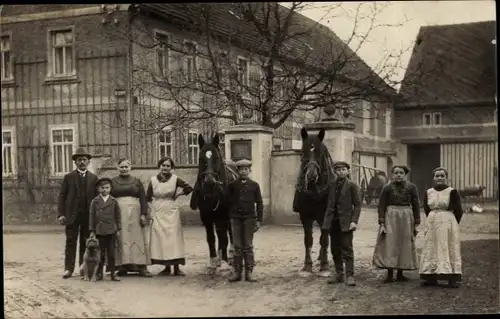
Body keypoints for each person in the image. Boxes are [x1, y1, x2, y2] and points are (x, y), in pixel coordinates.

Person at [372, 165, 420, 283]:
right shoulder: (387, 188)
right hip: (391, 216)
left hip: (406, 216)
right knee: (390, 243)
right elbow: (381, 205)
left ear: (405, 175)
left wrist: (417, 220)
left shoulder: (411, 187)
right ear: (392, 175)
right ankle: (389, 273)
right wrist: (382, 221)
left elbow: (416, 204)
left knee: (404, 243)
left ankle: (400, 273)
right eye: (396, 173)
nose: (398, 175)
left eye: (401, 173)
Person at [146, 157, 193, 276]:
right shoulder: (153, 180)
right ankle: (166, 268)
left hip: (171, 210)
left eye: (168, 166)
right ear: (159, 166)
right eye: (163, 165)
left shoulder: (175, 179)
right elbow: (148, 197)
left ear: (171, 168)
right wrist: (151, 211)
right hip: (158, 210)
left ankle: (176, 268)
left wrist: (178, 194)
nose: (165, 168)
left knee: (173, 238)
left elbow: (189, 188)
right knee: (161, 238)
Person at [57, 148, 98, 279]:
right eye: (79, 160)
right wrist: (61, 214)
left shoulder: (94, 178)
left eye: (84, 160)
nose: (82, 162)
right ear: (75, 162)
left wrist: (96, 216)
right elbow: (62, 196)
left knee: (86, 242)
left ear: (88, 161)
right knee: (70, 242)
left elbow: (96, 199)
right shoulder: (68, 177)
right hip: (71, 215)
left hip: (88, 216)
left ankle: (82, 268)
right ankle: (68, 269)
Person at [419, 167, 463, 288]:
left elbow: (459, 210)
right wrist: (432, 220)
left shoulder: (452, 191)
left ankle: (451, 277)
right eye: (437, 176)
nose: (439, 178)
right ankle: (431, 276)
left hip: (447, 221)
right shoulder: (428, 192)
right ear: (433, 178)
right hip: (432, 221)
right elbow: (427, 209)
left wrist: (452, 224)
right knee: (431, 247)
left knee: (447, 246)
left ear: (446, 177)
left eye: (442, 176)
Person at [110, 158, 152, 277]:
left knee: (137, 237)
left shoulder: (137, 181)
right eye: (121, 167)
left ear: (130, 167)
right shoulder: (113, 182)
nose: (124, 169)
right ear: (117, 168)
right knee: (121, 237)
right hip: (119, 212)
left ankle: (141, 266)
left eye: (126, 167)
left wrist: (143, 214)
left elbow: (143, 198)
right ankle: (123, 265)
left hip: (135, 212)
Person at [322, 161, 362, 286]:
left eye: (344, 169)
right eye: (338, 170)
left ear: (348, 171)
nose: (341, 172)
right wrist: (326, 221)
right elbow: (326, 202)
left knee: (347, 249)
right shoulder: (331, 185)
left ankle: (350, 275)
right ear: (335, 172)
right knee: (334, 249)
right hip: (333, 223)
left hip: (346, 223)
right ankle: (339, 273)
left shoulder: (352, 186)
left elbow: (357, 205)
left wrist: (354, 221)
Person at [227, 159, 263, 282]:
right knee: (237, 246)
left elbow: (259, 203)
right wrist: (230, 217)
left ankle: (249, 272)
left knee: (248, 246)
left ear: (249, 171)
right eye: (241, 169)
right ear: (237, 171)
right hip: (236, 219)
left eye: (246, 169)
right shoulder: (232, 186)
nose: (243, 171)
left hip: (249, 219)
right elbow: (228, 203)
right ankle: (237, 272)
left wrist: (259, 220)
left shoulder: (254, 185)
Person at [89, 177, 121, 281]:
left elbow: (118, 216)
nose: (105, 190)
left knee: (111, 253)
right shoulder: (95, 201)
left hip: (111, 230)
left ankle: (112, 273)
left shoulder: (114, 201)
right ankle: (99, 273)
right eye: (102, 188)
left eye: (107, 188)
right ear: (98, 189)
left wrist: (118, 229)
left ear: (110, 189)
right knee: (100, 253)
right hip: (100, 230)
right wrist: (92, 230)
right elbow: (92, 216)